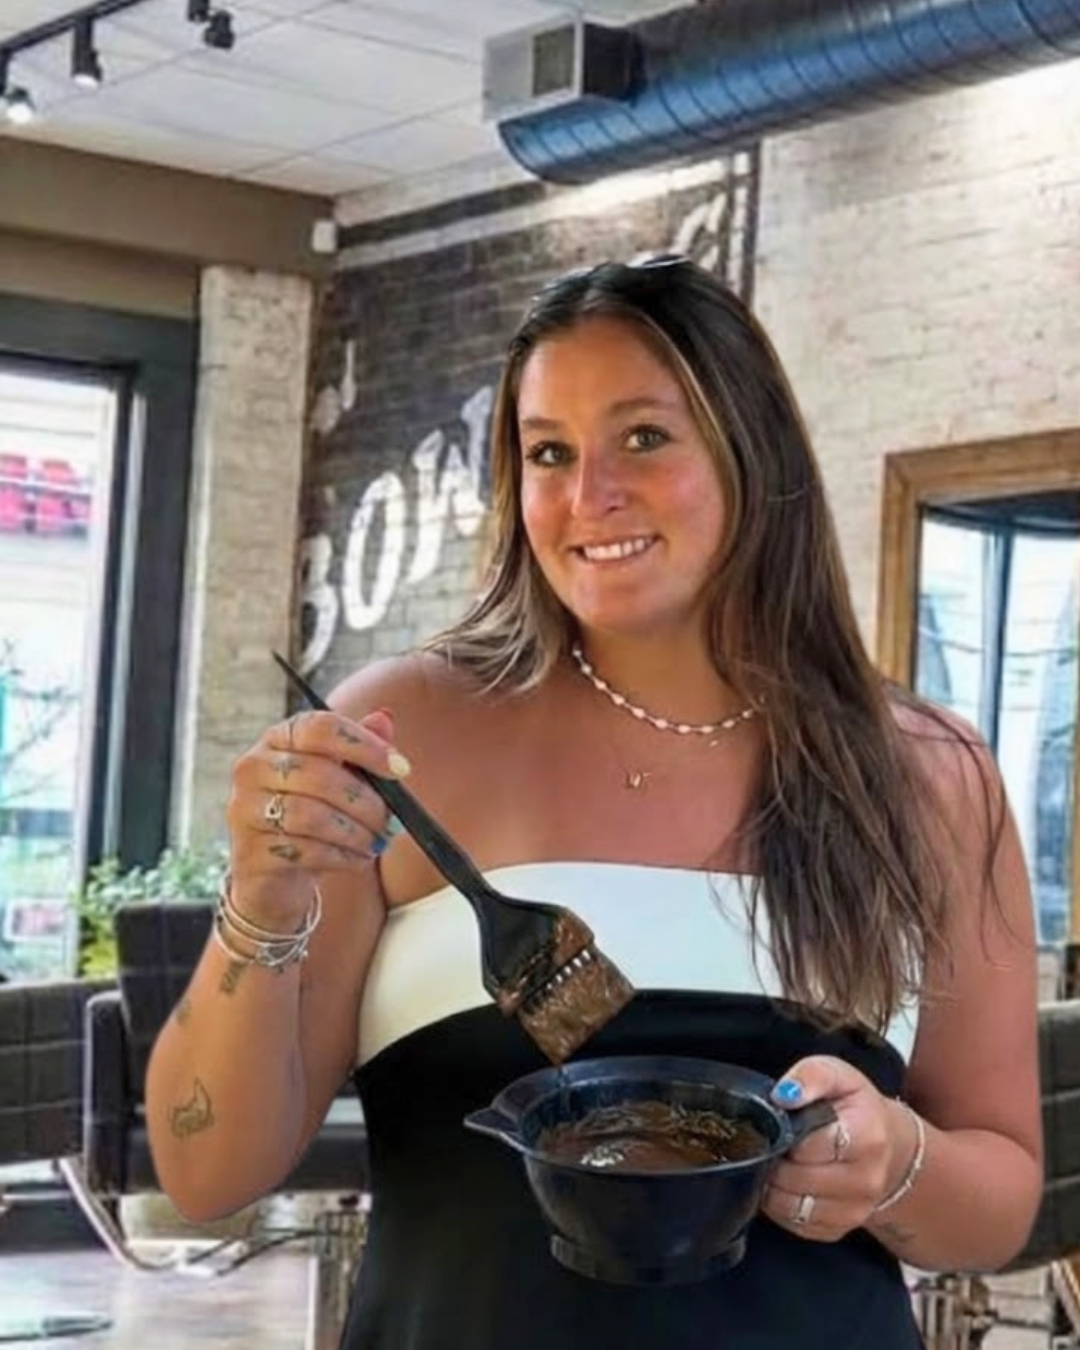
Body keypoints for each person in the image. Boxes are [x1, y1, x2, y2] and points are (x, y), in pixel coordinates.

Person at [146, 257, 1042, 1349]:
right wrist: (262, 899)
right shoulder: (405, 734)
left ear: (750, 451)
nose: (588, 496)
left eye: (644, 438)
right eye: (549, 452)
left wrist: (900, 1161)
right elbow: (205, 1172)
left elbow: (998, 1200)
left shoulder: (928, 774)